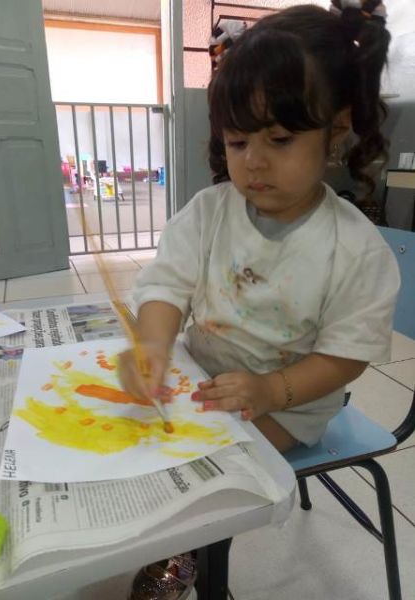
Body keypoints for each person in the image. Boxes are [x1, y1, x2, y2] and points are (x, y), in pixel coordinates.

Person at [122, 2, 399, 598]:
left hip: (288, 404)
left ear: (336, 130)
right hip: (203, 380)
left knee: (197, 470)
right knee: (133, 440)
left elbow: (347, 356)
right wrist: (153, 346)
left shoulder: (353, 248)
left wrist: (272, 390)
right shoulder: (209, 212)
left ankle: (185, 550)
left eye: (279, 138)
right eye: (237, 140)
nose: (253, 161)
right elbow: (166, 286)